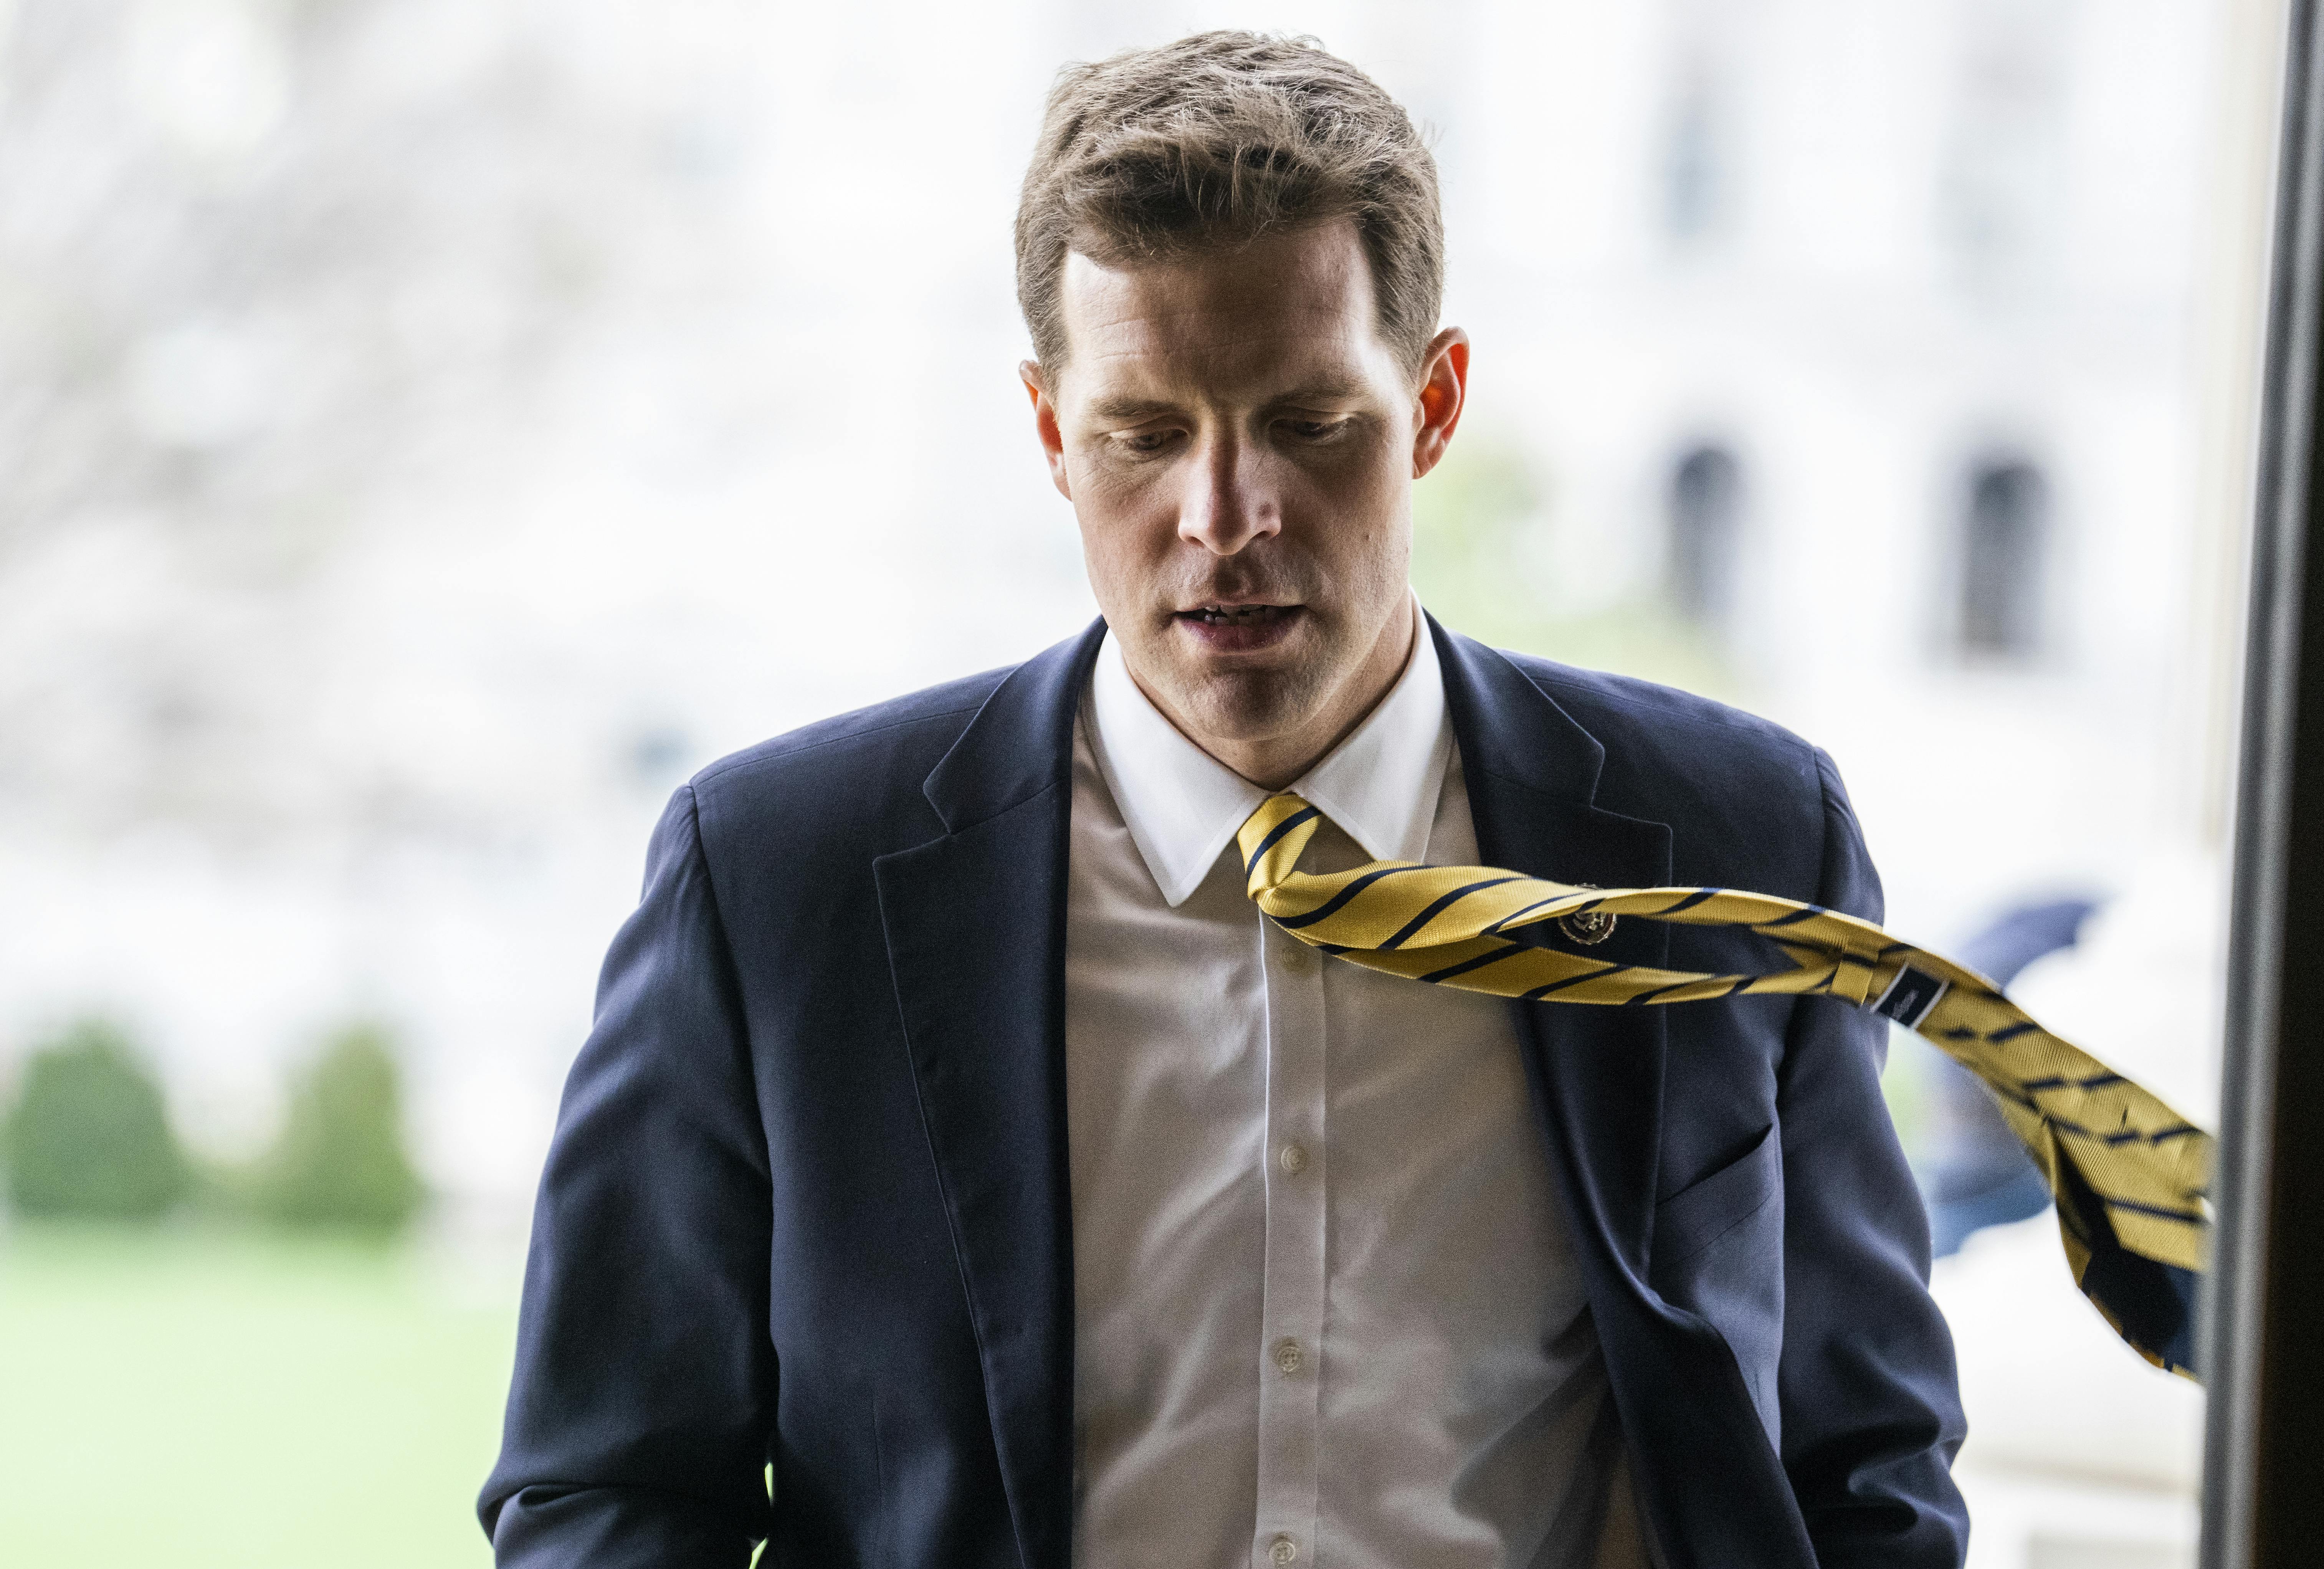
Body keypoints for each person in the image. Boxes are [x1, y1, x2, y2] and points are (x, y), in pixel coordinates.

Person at [480, 31, 1967, 1569]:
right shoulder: (776, 882)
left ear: (1436, 404)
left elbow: (1864, 1462)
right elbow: (608, 1488)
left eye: (1309, 426)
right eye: (1142, 435)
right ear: (1052, 431)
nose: (1224, 517)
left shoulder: (1743, 839)